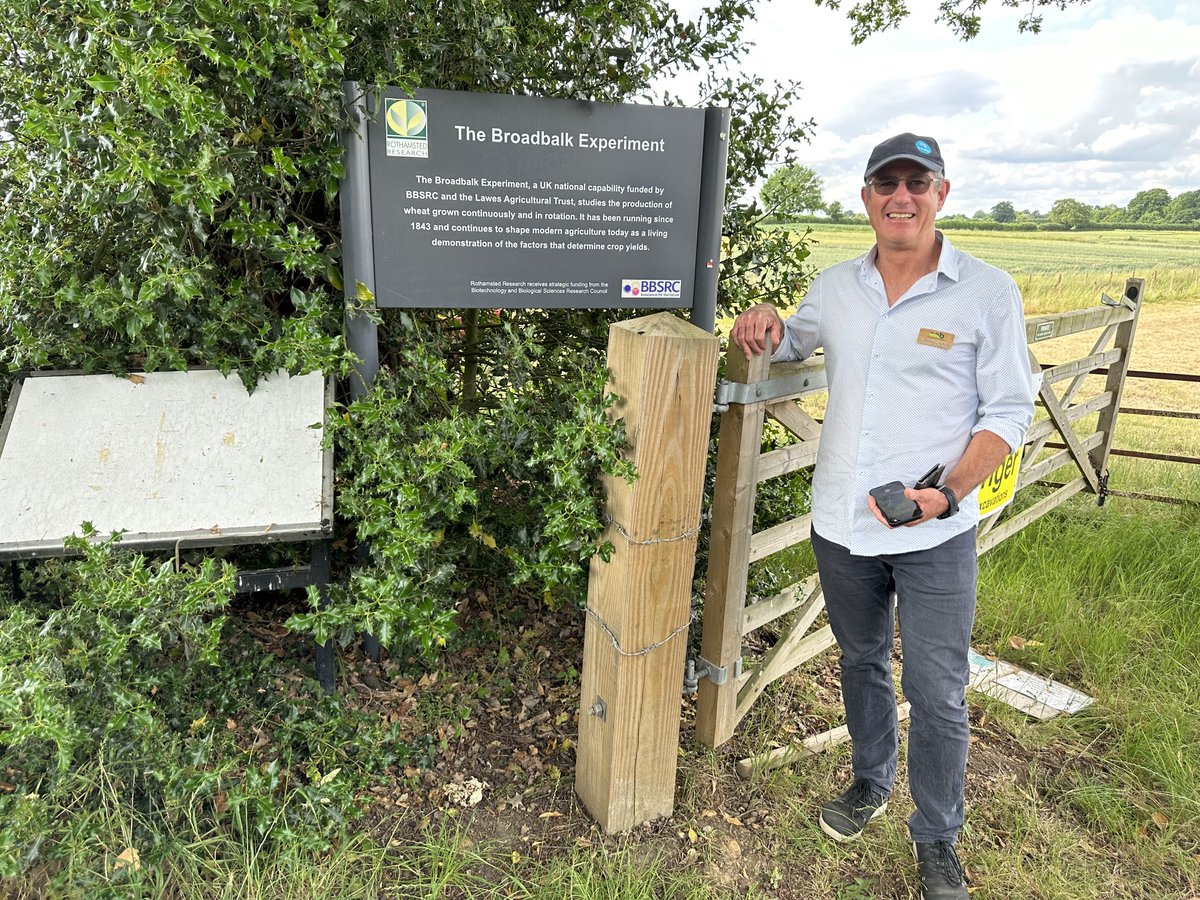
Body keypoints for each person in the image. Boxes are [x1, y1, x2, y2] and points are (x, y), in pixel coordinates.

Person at [731, 133, 1036, 900]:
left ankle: (937, 837)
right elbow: (788, 339)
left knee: (938, 690)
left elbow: (1009, 411)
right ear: (866, 197)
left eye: (917, 181)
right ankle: (870, 782)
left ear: (942, 193)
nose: (901, 195)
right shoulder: (837, 286)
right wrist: (761, 319)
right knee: (860, 662)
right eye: (886, 182)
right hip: (842, 525)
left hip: (935, 531)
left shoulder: (986, 291)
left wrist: (949, 493)